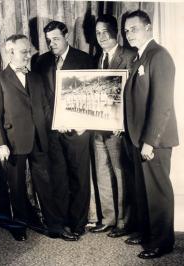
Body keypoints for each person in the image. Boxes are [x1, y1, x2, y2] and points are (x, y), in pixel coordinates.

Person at [0, 34, 78, 242]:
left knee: (46, 184)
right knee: (17, 187)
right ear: (10, 52)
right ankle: (19, 226)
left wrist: (59, 123)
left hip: (39, 140)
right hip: (13, 142)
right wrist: (0, 143)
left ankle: (55, 226)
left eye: (29, 51)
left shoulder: (36, 78)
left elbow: (46, 109)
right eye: (24, 51)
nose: (29, 55)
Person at [123, 10, 179, 259]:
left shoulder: (159, 56)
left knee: (157, 191)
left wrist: (149, 141)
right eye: (126, 30)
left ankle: (162, 242)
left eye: (133, 28)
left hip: (153, 140)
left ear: (148, 27)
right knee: (143, 190)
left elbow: (162, 103)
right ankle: (147, 234)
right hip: (139, 138)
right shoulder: (140, 56)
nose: (128, 34)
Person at [33, 20, 94, 237]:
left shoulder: (85, 60)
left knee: (79, 177)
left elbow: (92, 94)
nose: (52, 44)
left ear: (66, 36)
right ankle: (62, 221)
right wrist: (55, 121)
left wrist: (83, 122)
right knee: (58, 178)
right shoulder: (41, 62)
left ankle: (78, 225)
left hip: (78, 131)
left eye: (56, 39)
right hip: (54, 130)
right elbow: (42, 98)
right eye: (49, 40)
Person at [90, 14, 136, 238]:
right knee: (102, 173)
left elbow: (134, 94)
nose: (101, 37)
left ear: (115, 32)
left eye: (105, 32)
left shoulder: (129, 55)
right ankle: (108, 219)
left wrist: (123, 122)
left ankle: (123, 222)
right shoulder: (99, 58)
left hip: (119, 129)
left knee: (120, 174)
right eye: (97, 33)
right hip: (99, 127)